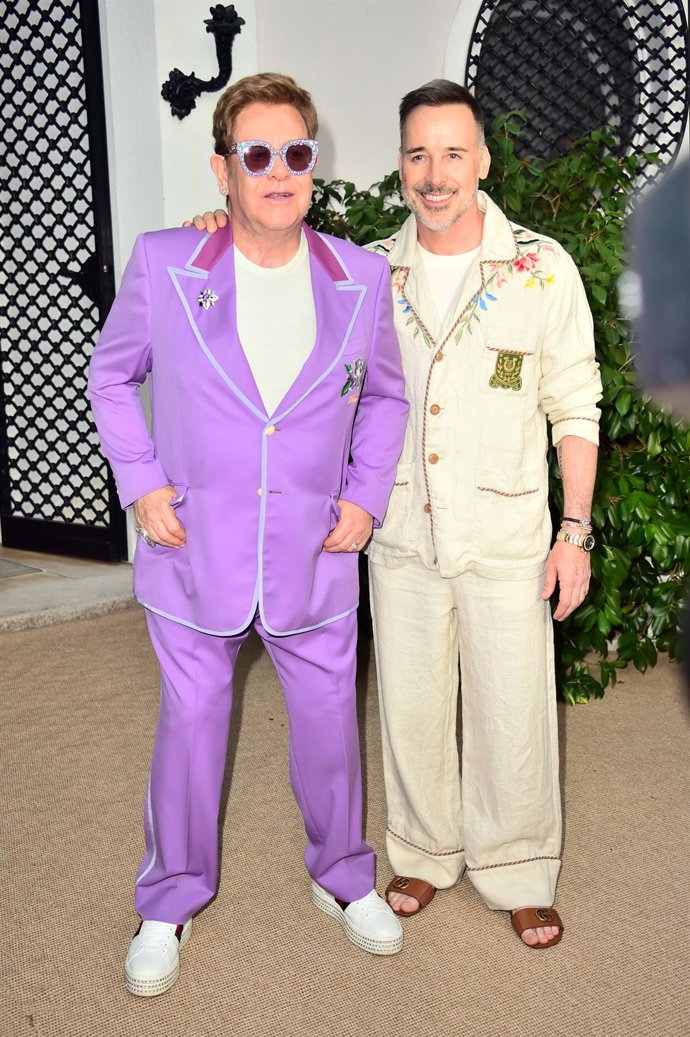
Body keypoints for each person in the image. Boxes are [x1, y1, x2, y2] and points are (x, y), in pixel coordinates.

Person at [190, 79, 602, 950]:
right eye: (418, 153)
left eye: (454, 152)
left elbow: (575, 407)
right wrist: (213, 231)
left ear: (483, 160)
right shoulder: (366, 269)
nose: (435, 172)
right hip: (402, 530)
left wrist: (575, 531)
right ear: (401, 165)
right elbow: (270, 276)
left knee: (513, 705)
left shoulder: (541, 265)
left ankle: (519, 868)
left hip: (509, 532)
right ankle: (423, 850)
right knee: (409, 701)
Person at [88, 72, 408, 998]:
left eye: (295, 154)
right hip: (195, 543)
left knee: (327, 726)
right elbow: (113, 377)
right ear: (224, 167)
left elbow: (383, 394)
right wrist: (141, 482)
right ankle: (168, 898)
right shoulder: (164, 261)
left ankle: (344, 876)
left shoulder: (361, 275)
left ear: (314, 164)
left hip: (317, 546)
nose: (278, 171)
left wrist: (365, 496)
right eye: (257, 154)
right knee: (191, 724)